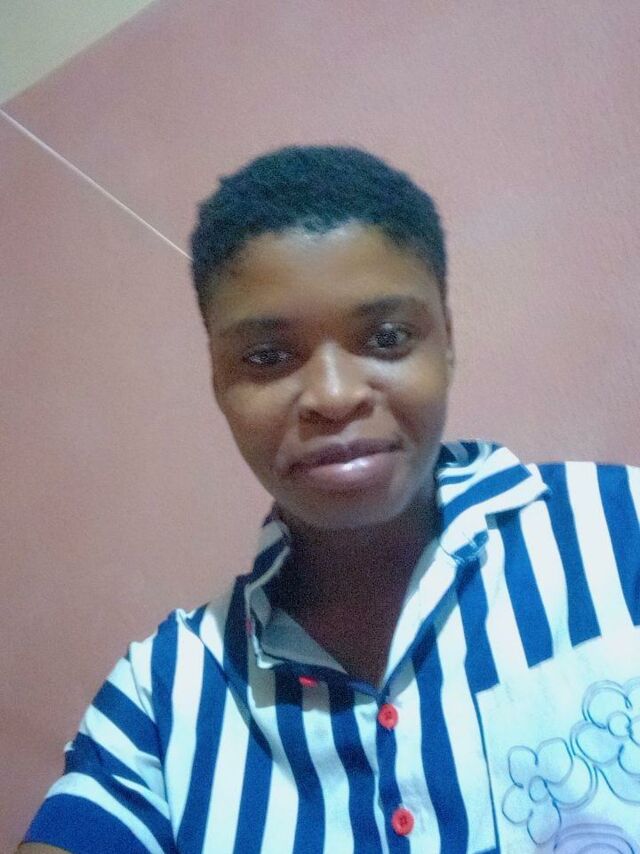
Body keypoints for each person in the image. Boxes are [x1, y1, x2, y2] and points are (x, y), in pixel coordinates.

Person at [19, 146, 640, 853]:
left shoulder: (622, 530)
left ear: (447, 343)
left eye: (386, 338)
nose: (335, 396)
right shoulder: (162, 698)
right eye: (267, 357)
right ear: (218, 381)